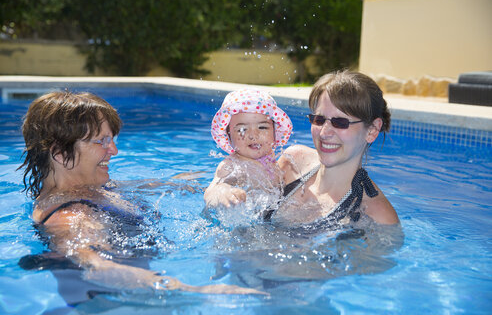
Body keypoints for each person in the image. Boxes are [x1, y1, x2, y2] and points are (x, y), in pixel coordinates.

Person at [18, 91, 264, 306]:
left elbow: (134, 187)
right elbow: (97, 269)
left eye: (112, 139)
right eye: (102, 141)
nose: (113, 150)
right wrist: (194, 291)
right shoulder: (73, 217)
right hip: (119, 303)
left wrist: (183, 181)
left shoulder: (87, 189)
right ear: (60, 154)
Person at [271, 70, 399, 230]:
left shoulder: (378, 217)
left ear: (372, 130)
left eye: (340, 122)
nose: (324, 133)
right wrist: (228, 188)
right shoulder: (293, 162)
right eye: (319, 119)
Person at [204, 89, 293, 217]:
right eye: (242, 129)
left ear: (274, 132)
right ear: (229, 136)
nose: (253, 135)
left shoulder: (276, 160)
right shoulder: (232, 165)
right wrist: (221, 192)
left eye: (262, 127)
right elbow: (213, 188)